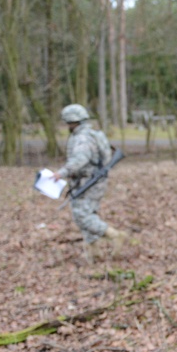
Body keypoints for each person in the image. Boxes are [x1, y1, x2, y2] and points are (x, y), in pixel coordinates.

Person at [52, 104, 125, 262]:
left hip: (88, 182)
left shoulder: (82, 138)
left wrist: (61, 173)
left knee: (82, 215)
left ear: (72, 121)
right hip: (91, 181)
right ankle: (94, 253)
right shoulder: (91, 134)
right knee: (88, 213)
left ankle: (114, 235)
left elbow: (80, 159)